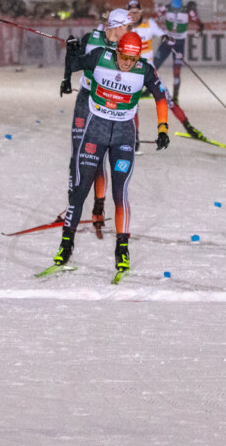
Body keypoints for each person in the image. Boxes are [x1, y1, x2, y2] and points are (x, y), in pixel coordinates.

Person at [53, 31, 170, 279]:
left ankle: (122, 249)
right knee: (80, 188)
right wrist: (72, 50)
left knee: (120, 193)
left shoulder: (145, 69)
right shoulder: (98, 57)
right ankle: (65, 246)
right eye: (124, 57)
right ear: (117, 51)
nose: (127, 63)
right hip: (95, 130)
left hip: (124, 136)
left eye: (132, 58)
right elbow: (73, 65)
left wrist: (162, 128)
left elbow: (161, 96)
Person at [60, 8, 133, 237]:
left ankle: (98, 206)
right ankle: (75, 202)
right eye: (126, 27)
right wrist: (66, 75)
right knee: (79, 153)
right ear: (116, 26)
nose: (129, 31)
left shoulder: (125, 47)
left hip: (106, 106)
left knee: (99, 155)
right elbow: (73, 61)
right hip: (86, 98)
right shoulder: (90, 39)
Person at [128, 0, 206, 144]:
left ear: (140, 11)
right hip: (133, 74)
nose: (134, 15)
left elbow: (161, 33)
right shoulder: (124, 27)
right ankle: (135, 138)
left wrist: (167, 39)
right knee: (132, 106)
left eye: (136, 11)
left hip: (150, 73)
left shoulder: (149, 23)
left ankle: (189, 127)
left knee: (167, 101)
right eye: (131, 12)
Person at [153, 0, 204, 105]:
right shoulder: (166, 8)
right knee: (154, 65)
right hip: (168, 41)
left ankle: (175, 96)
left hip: (179, 43)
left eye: (178, 9)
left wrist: (200, 30)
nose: (176, 12)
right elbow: (154, 17)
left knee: (176, 70)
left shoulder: (187, 11)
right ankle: (148, 90)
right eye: (174, 9)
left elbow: (199, 23)